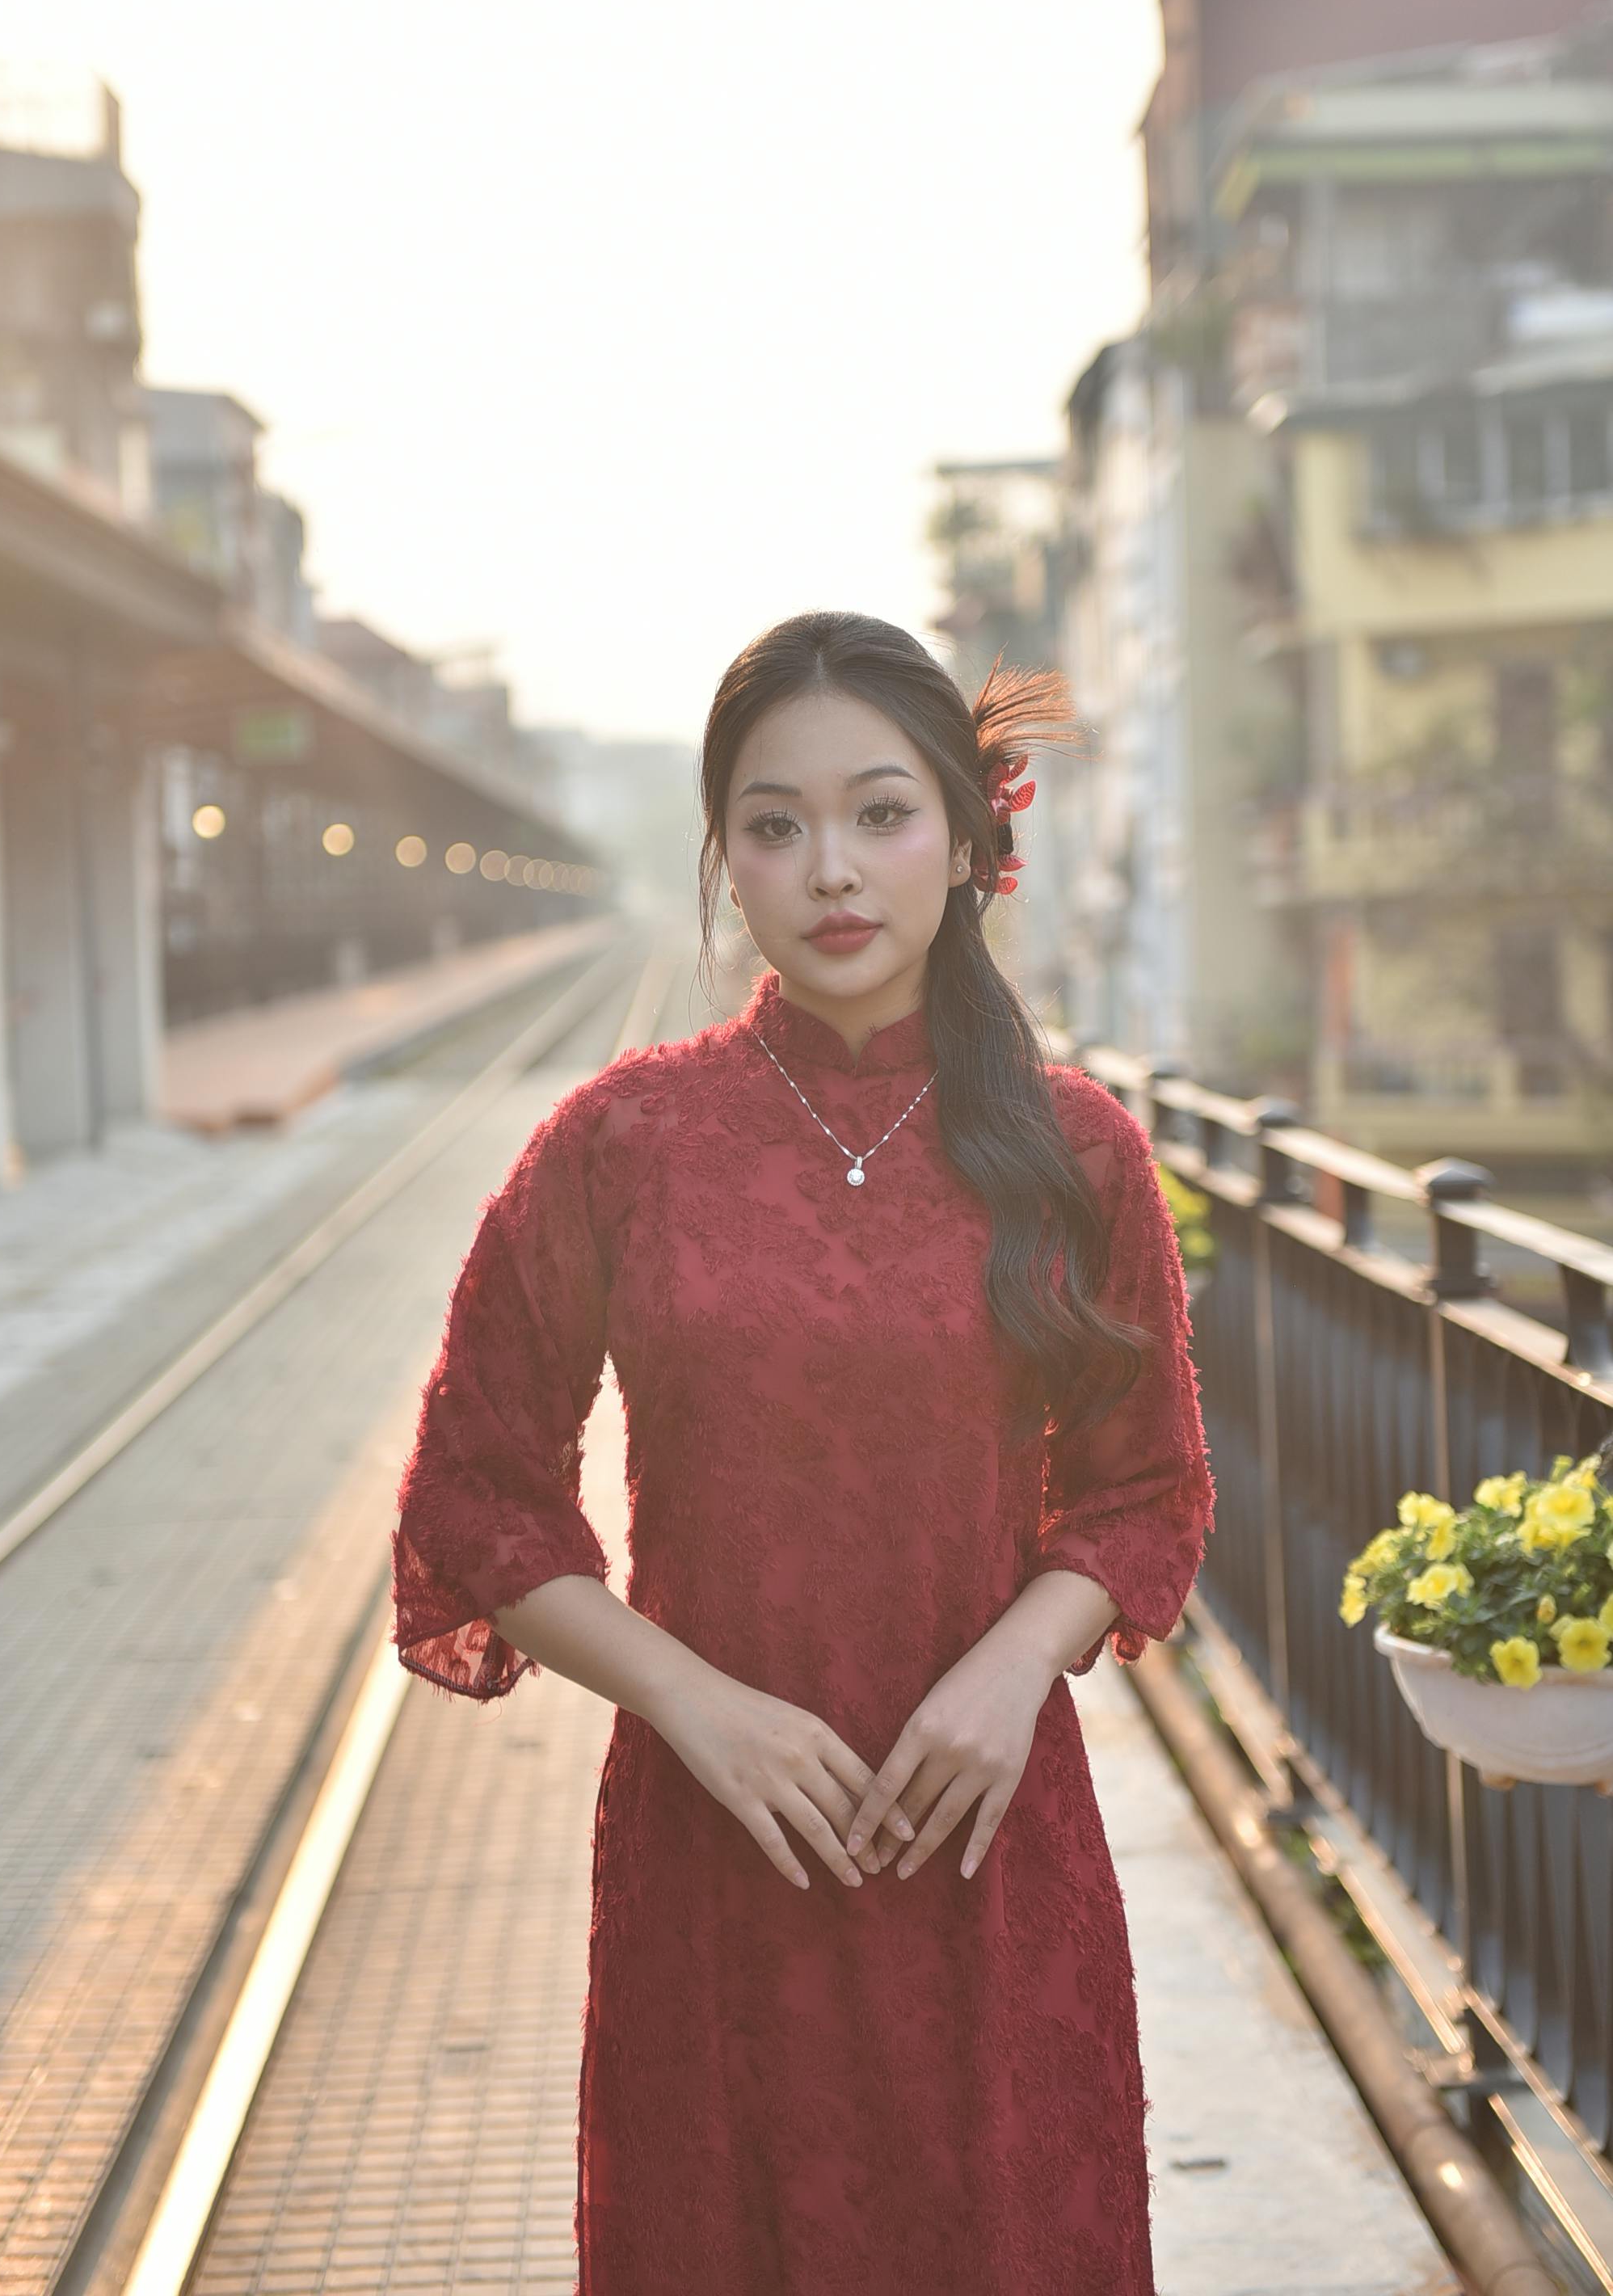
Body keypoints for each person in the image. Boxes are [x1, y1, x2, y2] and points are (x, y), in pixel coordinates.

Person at [390, 608, 1215, 2294]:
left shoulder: (1075, 1153)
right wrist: (692, 1701)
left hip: (985, 1851)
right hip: (720, 1856)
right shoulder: (617, 1140)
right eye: (773, 825)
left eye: (879, 812)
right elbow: (479, 1497)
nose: (829, 869)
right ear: (726, 860)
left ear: (970, 839)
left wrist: (1010, 1668)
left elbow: (1144, 1491)